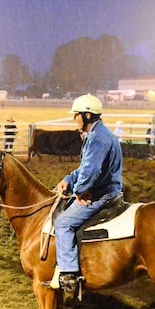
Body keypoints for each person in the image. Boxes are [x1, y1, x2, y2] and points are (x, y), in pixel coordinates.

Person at [46, 94, 123, 292]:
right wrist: (68, 180)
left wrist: (80, 191)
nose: (74, 120)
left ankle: (69, 274)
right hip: (108, 189)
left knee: (63, 223)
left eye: (76, 116)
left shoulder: (97, 139)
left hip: (102, 194)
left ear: (87, 115)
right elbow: (84, 169)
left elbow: (90, 172)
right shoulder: (101, 134)